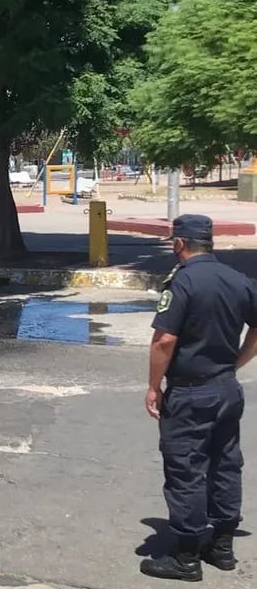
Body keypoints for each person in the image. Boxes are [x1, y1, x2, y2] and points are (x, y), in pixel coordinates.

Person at [140, 214, 257, 582]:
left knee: (186, 469)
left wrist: (153, 387)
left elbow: (164, 340)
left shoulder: (183, 282)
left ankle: (186, 558)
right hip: (225, 387)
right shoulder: (238, 279)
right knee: (225, 463)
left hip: (191, 392)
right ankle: (222, 548)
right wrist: (235, 363)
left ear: (179, 244)